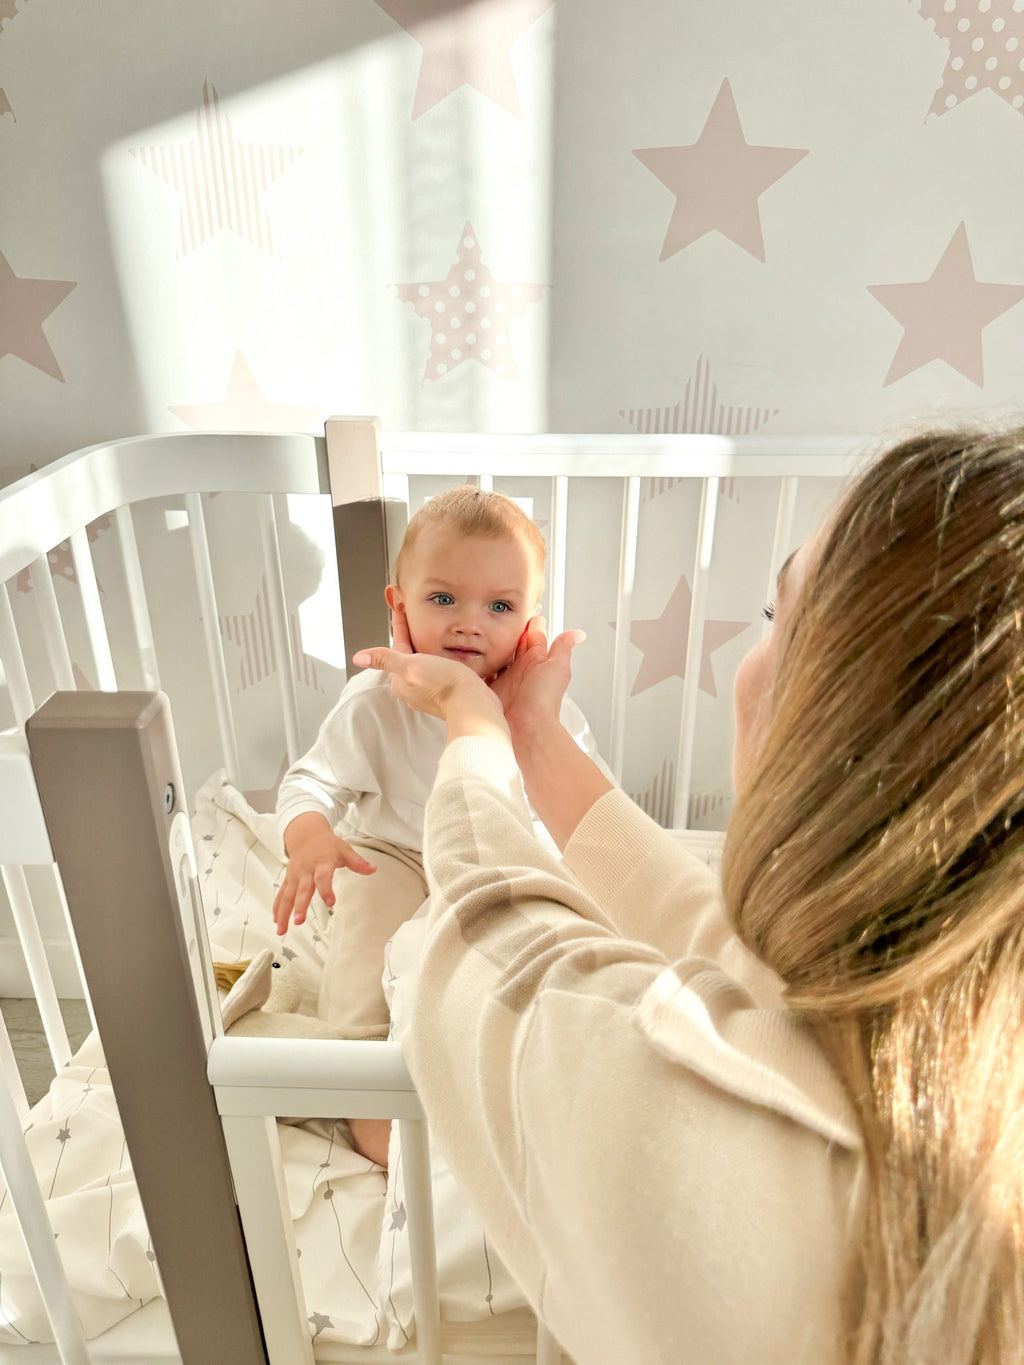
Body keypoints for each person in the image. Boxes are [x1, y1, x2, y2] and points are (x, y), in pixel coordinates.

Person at [353, 423, 1024, 1365]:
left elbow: (492, 937)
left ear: (842, 725)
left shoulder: (691, 1129)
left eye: (777, 619)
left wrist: (473, 726)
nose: (752, 660)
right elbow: (720, 942)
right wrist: (532, 733)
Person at [272, 485, 607, 1166]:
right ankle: (361, 1086)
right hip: (395, 854)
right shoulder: (373, 702)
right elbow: (311, 781)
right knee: (366, 931)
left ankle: (521, 1086)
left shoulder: (544, 711)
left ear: (530, 625)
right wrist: (309, 833)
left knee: (538, 958)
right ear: (399, 606)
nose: (468, 624)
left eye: (500, 607)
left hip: (493, 860)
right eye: (444, 598)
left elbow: (587, 813)